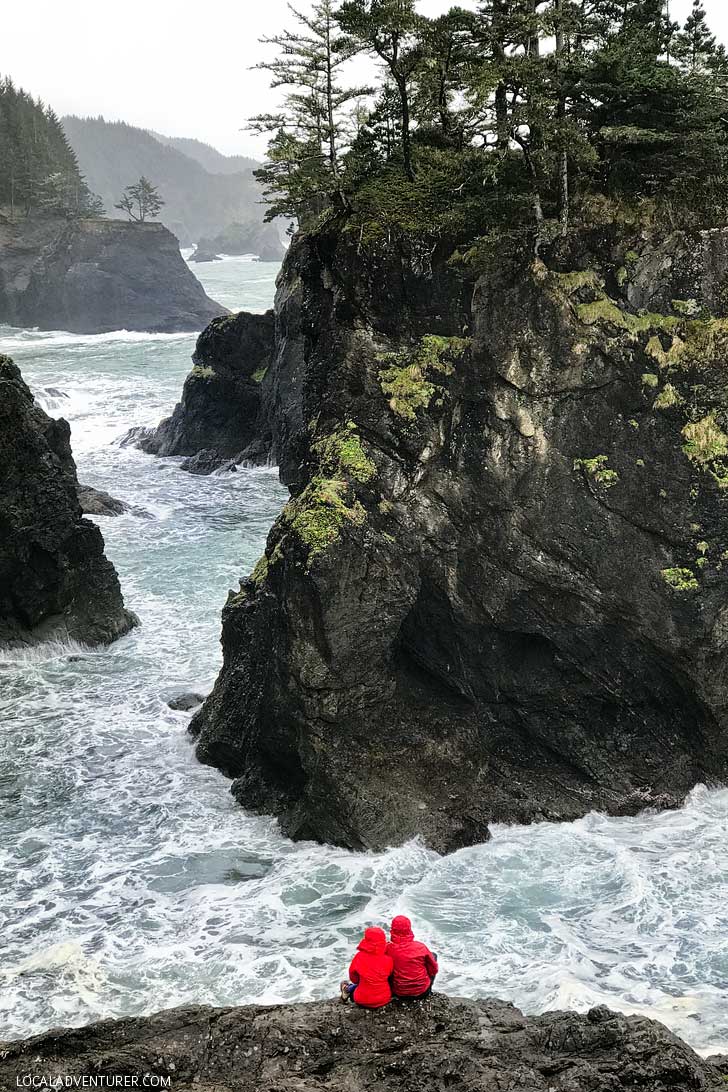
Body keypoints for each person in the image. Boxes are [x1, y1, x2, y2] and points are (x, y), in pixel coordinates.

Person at [340, 926, 394, 1008]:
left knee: (357, 983)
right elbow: (389, 975)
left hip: (362, 999)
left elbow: (354, 979)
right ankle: (348, 989)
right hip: (384, 999)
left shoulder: (359, 957)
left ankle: (346, 990)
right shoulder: (388, 959)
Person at [386, 915, 438, 999]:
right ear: (409, 929)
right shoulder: (420, 947)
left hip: (399, 993)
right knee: (433, 956)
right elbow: (434, 970)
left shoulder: (387, 949)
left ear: (392, 930)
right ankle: (429, 990)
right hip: (422, 992)